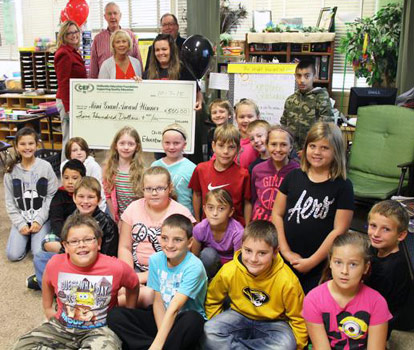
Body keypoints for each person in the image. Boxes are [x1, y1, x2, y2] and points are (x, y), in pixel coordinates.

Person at [13, 214, 139, 350]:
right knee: (22, 346)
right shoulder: (55, 263)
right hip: (61, 326)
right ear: (65, 246)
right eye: (74, 241)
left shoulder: (116, 267)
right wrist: (48, 308)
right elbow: (46, 281)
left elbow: (133, 284)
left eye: (88, 239)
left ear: (99, 243)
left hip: (100, 330)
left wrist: (128, 312)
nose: (81, 245)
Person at [272, 122, 354, 293]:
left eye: (325, 148)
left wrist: (311, 262)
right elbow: (277, 214)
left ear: (336, 151)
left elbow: (339, 230)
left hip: (319, 265)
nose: (317, 152)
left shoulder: (343, 186)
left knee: (311, 308)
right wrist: (286, 252)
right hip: (285, 258)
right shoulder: (293, 176)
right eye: (312, 146)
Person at [108, 214, 207, 350]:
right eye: (165, 238)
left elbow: (175, 307)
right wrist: (160, 338)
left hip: (181, 320)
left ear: (189, 243)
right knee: (115, 315)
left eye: (177, 240)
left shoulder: (194, 266)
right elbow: (158, 300)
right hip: (160, 318)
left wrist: (158, 344)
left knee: (193, 319)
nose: (170, 245)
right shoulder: (156, 259)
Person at [204, 220, 307, 350]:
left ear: (275, 252)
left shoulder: (288, 280)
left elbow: (299, 318)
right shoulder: (229, 270)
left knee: (285, 345)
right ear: (241, 247)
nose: (253, 259)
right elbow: (213, 299)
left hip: (274, 323)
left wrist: (297, 347)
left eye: (262, 253)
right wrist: (217, 321)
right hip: (238, 315)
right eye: (248, 251)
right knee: (209, 331)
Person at [118, 166, 196, 307]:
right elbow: (124, 247)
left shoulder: (181, 213)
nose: (154, 193)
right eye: (148, 189)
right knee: (120, 289)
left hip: (167, 272)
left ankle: (113, 306)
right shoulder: (133, 208)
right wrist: (130, 275)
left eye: (160, 188)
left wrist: (139, 279)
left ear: (170, 188)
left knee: (147, 295)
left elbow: (183, 255)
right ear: (142, 189)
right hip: (135, 269)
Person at [303, 232, 391, 349]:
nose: (344, 271)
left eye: (353, 264)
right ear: (330, 263)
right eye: (338, 262)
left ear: (365, 267)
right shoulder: (313, 300)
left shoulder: (377, 302)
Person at [33, 176, 120, 289]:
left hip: (93, 267)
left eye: (91, 197)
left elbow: (108, 258)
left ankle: (57, 285)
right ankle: (55, 289)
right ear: (74, 198)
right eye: (81, 196)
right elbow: (65, 249)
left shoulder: (108, 224)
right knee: (40, 257)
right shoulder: (71, 218)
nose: (85, 201)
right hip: (72, 262)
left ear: (98, 200)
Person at [4, 127, 58, 262]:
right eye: (22, 144)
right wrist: (20, 223)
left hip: (41, 217)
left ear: (36, 145)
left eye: (30, 143)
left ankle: (34, 238)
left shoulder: (45, 167)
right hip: (22, 217)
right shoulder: (10, 172)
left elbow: (51, 196)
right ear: (16, 147)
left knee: (38, 253)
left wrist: (39, 220)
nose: (27, 147)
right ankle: (26, 237)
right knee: (13, 255)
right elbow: (10, 202)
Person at [365, 200, 414, 333]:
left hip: (389, 319)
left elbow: (378, 308)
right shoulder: (378, 246)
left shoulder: (391, 269)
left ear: (401, 235)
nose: (376, 234)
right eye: (373, 225)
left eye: (386, 229)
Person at [189, 123, 251, 226]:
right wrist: (198, 221)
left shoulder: (243, 174)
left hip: (235, 228)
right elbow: (197, 194)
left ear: (238, 149)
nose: (225, 151)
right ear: (213, 146)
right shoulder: (201, 169)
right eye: (221, 146)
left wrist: (247, 228)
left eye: (231, 147)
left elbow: (248, 203)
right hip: (208, 225)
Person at [280, 59, 334, 151]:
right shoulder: (290, 100)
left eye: (307, 76)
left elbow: (326, 128)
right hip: (292, 151)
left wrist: (307, 149)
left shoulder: (321, 98)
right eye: (299, 76)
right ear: (295, 77)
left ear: (314, 77)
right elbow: (284, 125)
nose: (302, 80)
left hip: (313, 150)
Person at [191, 188, 243, 279]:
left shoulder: (237, 232)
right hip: (210, 265)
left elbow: (239, 263)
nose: (215, 213)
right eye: (210, 208)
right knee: (208, 254)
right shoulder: (200, 228)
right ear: (204, 209)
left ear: (230, 212)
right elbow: (193, 259)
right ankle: (207, 283)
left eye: (221, 209)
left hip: (231, 267)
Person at [251, 125, 299, 221]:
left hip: (284, 225)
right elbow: (252, 198)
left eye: (283, 145)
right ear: (267, 145)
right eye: (273, 144)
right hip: (260, 224)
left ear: (290, 147)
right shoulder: (257, 170)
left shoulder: (298, 171)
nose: (278, 149)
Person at [143, 33, 202, 111]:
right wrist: (137, 82)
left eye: (164, 49)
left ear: (172, 50)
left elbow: (197, 92)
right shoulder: (148, 74)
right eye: (157, 50)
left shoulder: (184, 70)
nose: (160, 53)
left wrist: (199, 101)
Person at [54, 20, 87, 160]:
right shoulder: (64, 53)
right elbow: (64, 82)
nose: (74, 35)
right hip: (68, 101)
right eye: (69, 33)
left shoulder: (73, 52)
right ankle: (65, 171)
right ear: (63, 35)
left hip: (76, 101)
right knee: (69, 140)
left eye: (76, 32)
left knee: (76, 139)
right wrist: (68, 108)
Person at [151, 123, 196, 214]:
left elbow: (196, 196)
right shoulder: (155, 166)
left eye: (176, 143)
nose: (171, 147)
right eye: (167, 143)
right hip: (160, 215)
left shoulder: (193, 168)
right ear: (162, 143)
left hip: (184, 218)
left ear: (184, 145)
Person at [90, 1, 142, 78]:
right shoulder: (98, 39)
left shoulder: (131, 36)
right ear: (105, 16)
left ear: (120, 15)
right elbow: (93, 68)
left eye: (115, 13)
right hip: (106, 84)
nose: (112, 16)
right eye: (109, 14)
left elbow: (138, 62)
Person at [103, 126, 144, 223]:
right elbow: (108, 197)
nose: (126, 147)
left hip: (137, 218)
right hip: (118, 217)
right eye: (122, 143)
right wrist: (116, 220)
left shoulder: (142, 171)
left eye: (131, 144)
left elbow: (143, 199)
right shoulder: (109, 169)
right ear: (115, 146)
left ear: (137, 147)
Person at [60, 137, 106, 211]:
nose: (79, 153)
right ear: (69, 153)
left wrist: (100, 211)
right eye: (74, 150)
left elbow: (100, 190)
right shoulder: (64, 165)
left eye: (82, 149)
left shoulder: (93, 166)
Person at [234, 99, 260, 169]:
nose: (245, 120)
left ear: (257, 117)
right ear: (236, 118)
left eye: (250, 116)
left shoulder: (261, 142)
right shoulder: (230, 138)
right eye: (241, 117)